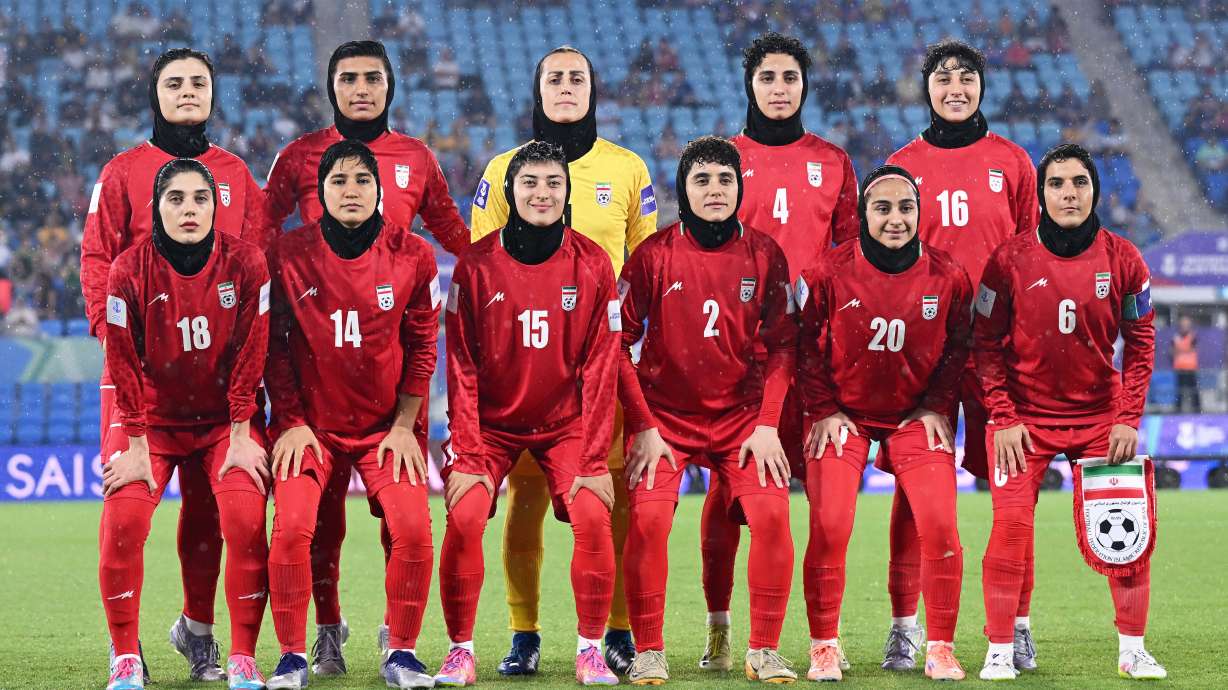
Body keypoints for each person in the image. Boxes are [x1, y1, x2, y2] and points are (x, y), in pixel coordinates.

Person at [263, 40, 469, 673]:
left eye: (371, 78)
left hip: (385, 404)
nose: (360, 88)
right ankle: (314, 640)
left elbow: (458, 240)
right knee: (309, 527)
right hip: (314, 395)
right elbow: (255, 243)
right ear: (332, 87)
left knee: (405, 526)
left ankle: (396, 641)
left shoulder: (415, 176)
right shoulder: (296, 164)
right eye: (347, 78)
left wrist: (523, 267)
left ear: (390, 86)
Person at [80, 47, 273, 683]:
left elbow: (255, 263)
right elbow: (95, 260)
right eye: (175, 83)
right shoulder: (122, 171)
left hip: (220, 383)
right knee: (129, 509)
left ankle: (199, 633)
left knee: (216, 510)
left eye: (198, 83)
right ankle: (126, 656)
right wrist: (116, 334)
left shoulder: (237, 174)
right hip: (139, 374)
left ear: (213, 94)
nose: (188, 92)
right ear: (155, 94)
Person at [469, 45, 656, 676]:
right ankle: (525, 633)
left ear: (593, 90)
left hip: (605, 368)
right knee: (523, 504)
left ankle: (618, 631)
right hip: (525, 372)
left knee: (608, 500)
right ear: (537, 90)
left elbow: (649, 267)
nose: (567, 87)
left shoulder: (628, 168)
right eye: (555, 78)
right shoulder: (501, 171)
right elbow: (483, 268)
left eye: (578, 78)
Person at [700, 31, 859, 673]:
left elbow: (851, 258)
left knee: (825, 501)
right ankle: (719, 630)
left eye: (789, 78)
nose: (778, 88)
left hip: (817, 354)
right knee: (727, 497)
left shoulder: (834, 161)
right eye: (767, 77)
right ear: (751, 86)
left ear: (803, 86)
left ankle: (824, 636)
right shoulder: (724, 158)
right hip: (744, 356)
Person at [974, 144, 1163, 681]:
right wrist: (1003, 416)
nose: (1069, 194)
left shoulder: (1123, 257)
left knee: (1126, 531)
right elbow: (984, 344)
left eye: (1079, 183)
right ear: (1041, 194)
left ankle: (1132, 650)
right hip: (1023, 421)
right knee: (1010, 529)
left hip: (1102, 418)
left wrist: (1128, 416)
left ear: (1095, 190)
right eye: (1057, 184)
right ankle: (1000, 651)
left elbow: (1142, 341)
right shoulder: (1008, 260)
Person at [436, 141, 621, 687]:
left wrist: (591, 459)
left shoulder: (592, 262)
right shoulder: (474, 265)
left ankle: (590, 650)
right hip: (490, 427)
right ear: (511, 192)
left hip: (566, 425)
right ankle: (460, 651)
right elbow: (462, 369)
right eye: (531, 183)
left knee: (591, 513)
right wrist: (468, 454)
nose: (542, 193)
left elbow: (601, 367)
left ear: (567, 194)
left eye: (553, 184)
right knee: (466, 513)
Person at [883, 39, 1040, 672]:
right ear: (927, 88)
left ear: (981, 88)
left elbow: (1035, 256)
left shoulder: (1013, 161)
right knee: (916, 492)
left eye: (966, 78)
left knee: (1015, 489)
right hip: (927, 354)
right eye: (943, 77)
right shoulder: (902, 163)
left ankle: (1017, 625)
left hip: (1001, 350)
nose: (955, 87)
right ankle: (904, 627)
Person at [618, 136, 798, 685]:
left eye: (725, 180)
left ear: (740, 188)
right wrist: (644, 425)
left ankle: (759, 648)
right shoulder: (652, 256)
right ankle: (649, 650)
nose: (715, 190)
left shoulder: (765, 254)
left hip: (742, 420)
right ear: (683, 190)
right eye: (703, 180)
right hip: (665, 420)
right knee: (648, 522)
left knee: (771, 517)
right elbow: (614, 342)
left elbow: (786, 345)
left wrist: (768, 424)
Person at [797, 165, 970, 682]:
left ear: (920, 212)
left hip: (913, 417)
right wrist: (825, 409)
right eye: (883, 208)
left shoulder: (949, 276)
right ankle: (824, 646)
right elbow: (803, 345)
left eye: (905, 208)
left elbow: (959, 348)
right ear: (862, 215)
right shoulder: (826, 272)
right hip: (842, 416)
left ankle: (937, 644)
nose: (896, 219)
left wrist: (937, 404)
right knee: (830, 526)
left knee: (940, 524)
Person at [1172, 316, 1200, 412]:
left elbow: (1193, 348)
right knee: (1179, 391)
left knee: (1193, 391)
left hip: (1191, 367)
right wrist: (1183, 350)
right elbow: (1172, 351)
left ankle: (1197, 410)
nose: (1184, 326)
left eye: (1186, 324)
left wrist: (1180, 350)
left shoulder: (1192, 336)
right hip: (1180, 367)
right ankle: (1178, 410)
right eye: (1183, 324)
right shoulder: (1176, 337)